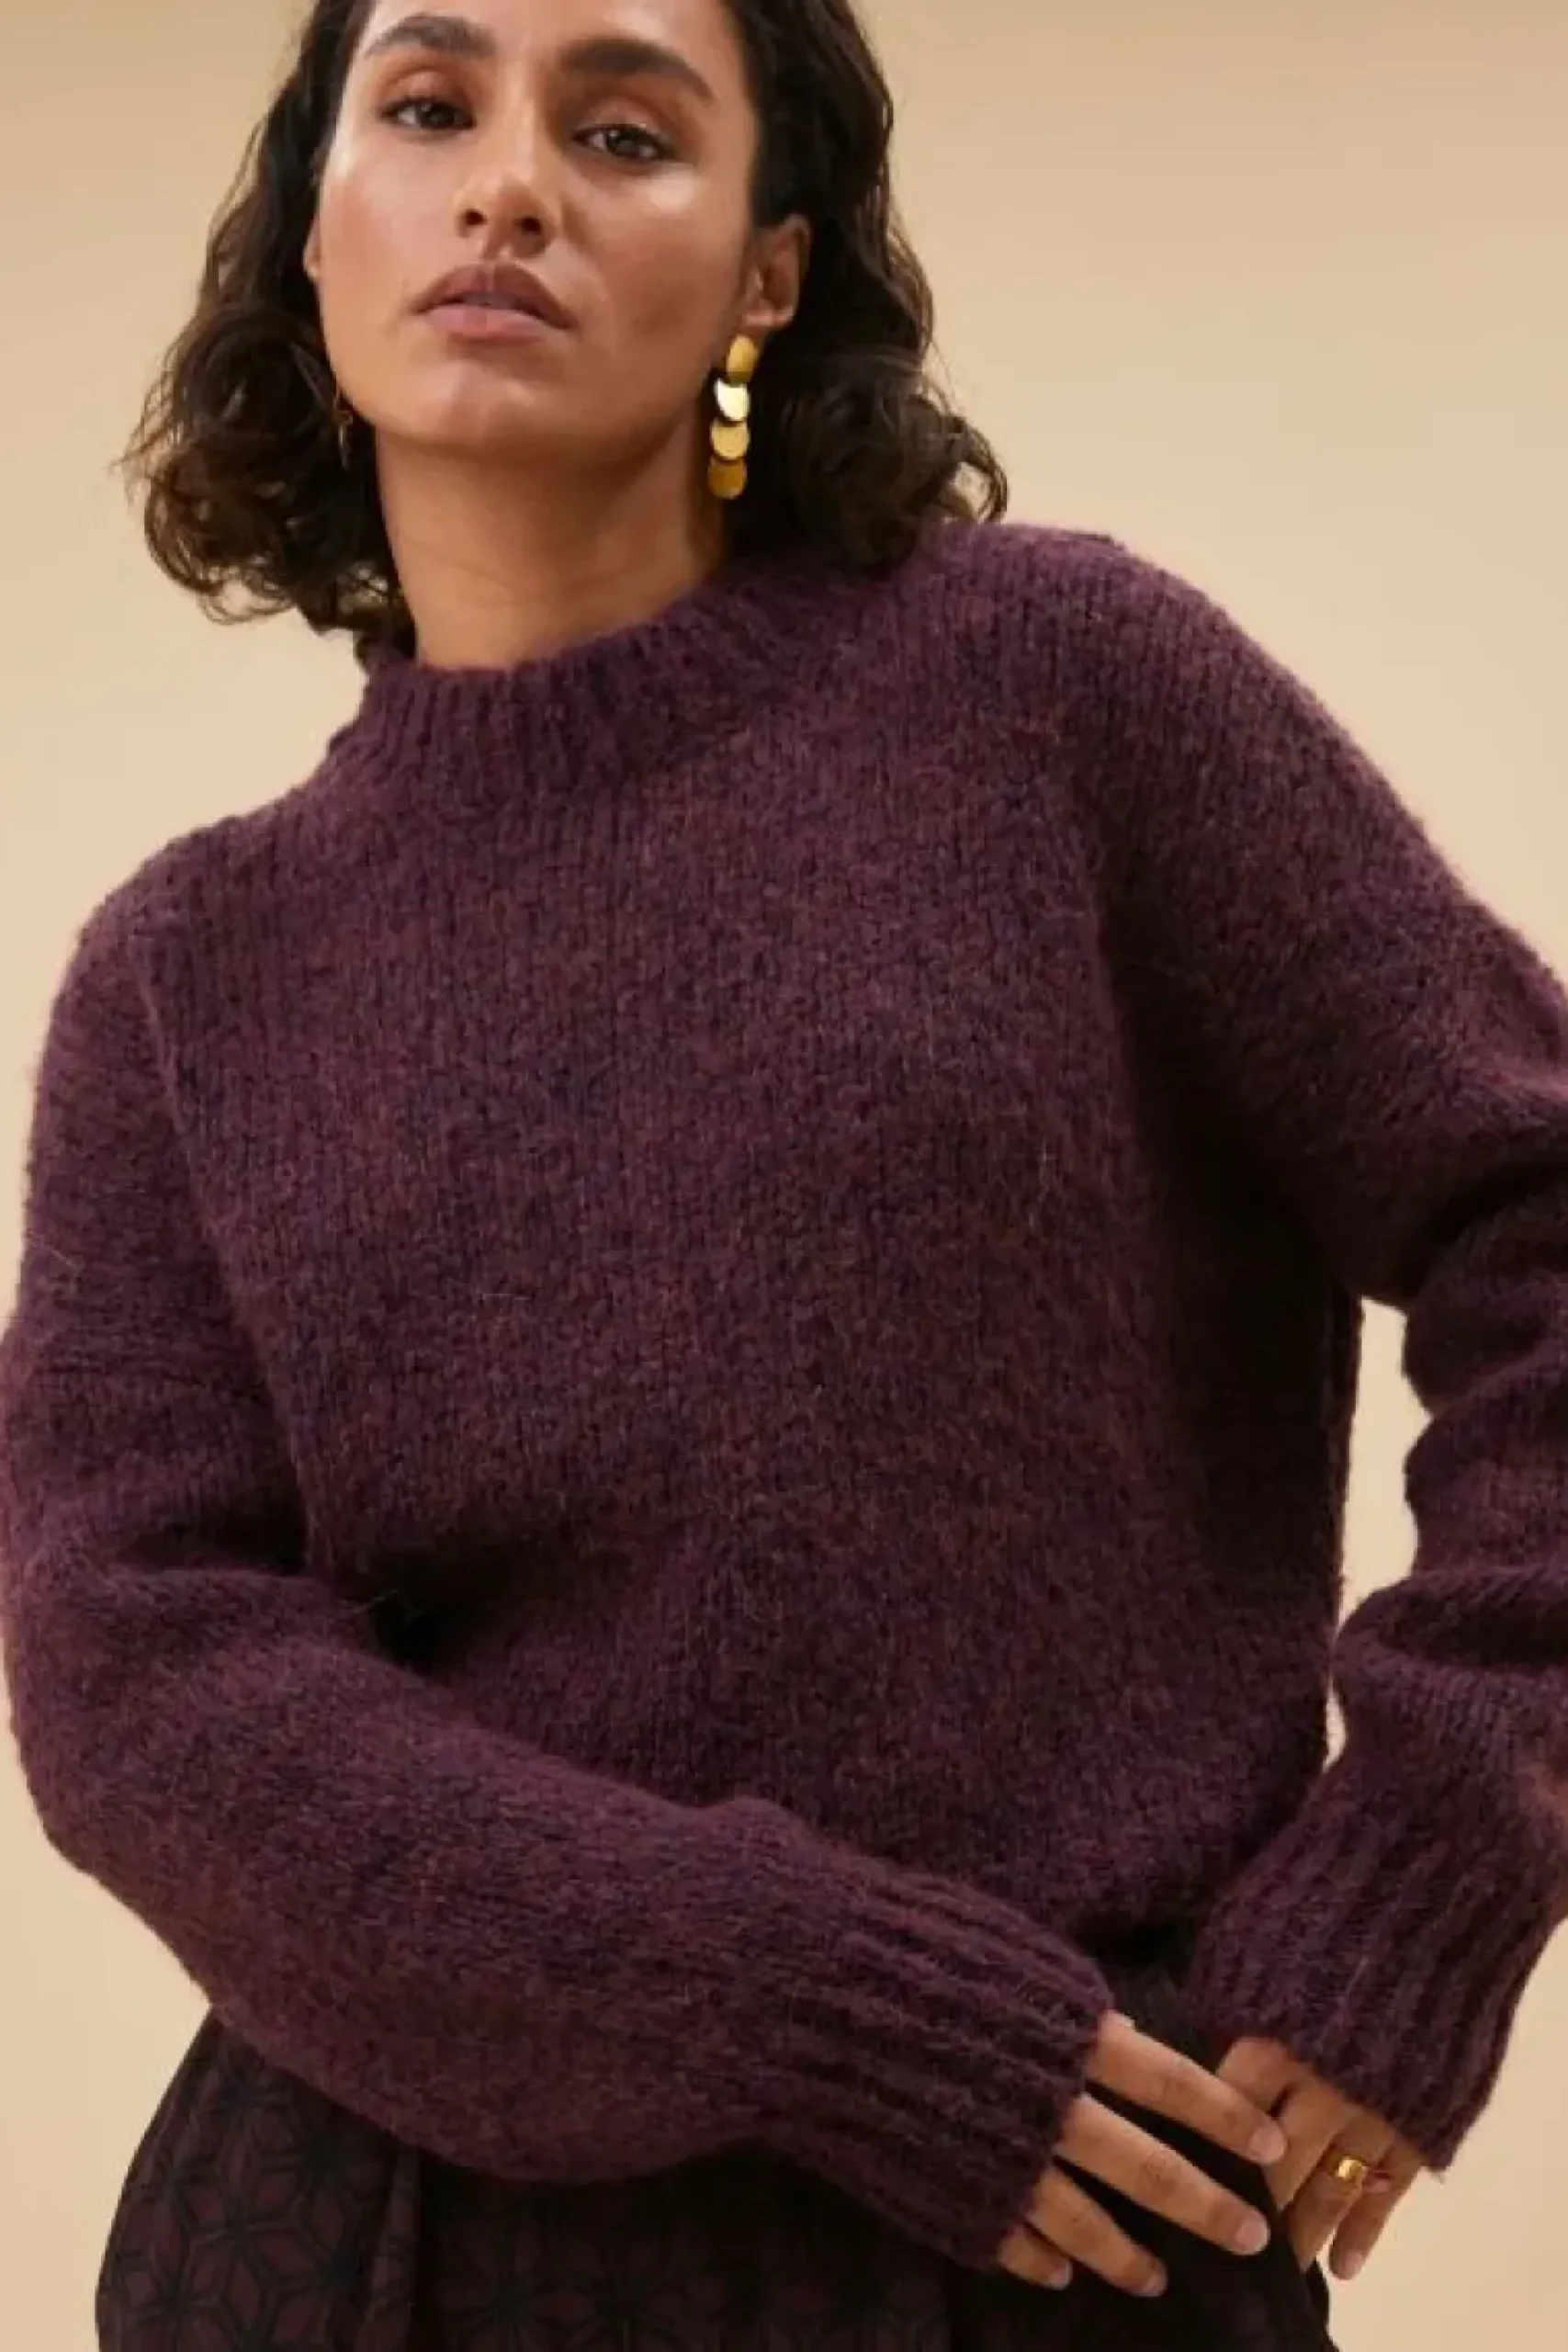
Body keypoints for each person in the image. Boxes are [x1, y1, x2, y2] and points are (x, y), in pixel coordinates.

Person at [2, 0, 1564, 2344]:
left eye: (624, 129)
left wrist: (1433, 1849)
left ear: (768, 271)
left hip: (1059, 2222)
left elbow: (1535, 1216)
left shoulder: (1053, 695)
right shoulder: (183, 971)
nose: (506, 181)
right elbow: (135, 1669)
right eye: (424, 107)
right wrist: (794, 1990)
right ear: (314, 238)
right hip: (373, 2247)